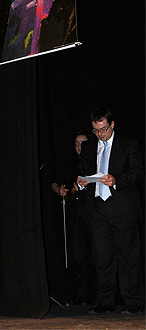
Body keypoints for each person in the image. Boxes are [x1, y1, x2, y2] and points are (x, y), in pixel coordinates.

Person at [77, 108, 144, 315]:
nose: (100, 134)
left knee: (128, 256)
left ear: (112, 125)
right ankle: (105, 302)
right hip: (98, 208)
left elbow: (137, 172)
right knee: (102, 257)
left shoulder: (128, 144)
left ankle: (133, 301)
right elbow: (82, 172)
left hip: (122, 207)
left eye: (103, 129)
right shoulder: (89, 147)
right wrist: (81, 183)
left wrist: (116, 180)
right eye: (96, 131)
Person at [51, 131, 96, 306]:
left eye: (83, 144)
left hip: (92, 211)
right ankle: (82, 294)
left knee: (95, 255)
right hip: (75, 212)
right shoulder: (69, 163)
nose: (79, 147)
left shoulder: (95, 161)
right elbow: (56, 182)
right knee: (78, 255)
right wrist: (59, 191)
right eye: (76, 144)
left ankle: (97, 294)